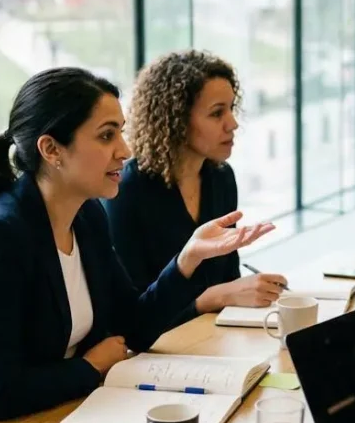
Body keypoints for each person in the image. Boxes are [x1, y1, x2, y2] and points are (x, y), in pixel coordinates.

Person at [0, 68, 274, 423]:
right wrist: (91, 366)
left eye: (121, 133)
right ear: (52, 149)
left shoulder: (86, 216)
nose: (125, 150)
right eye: (107, 136)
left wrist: (187, 259)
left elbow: (134, 324)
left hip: (44, 422)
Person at [103, 51, 287, 323]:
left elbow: (228, 278)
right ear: (175, 120)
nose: (233, 124)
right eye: (216, 113)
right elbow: (135, 316)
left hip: (212, 334)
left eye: (231, 109)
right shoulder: (127, 189)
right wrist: (217, 297)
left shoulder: (221, 177)